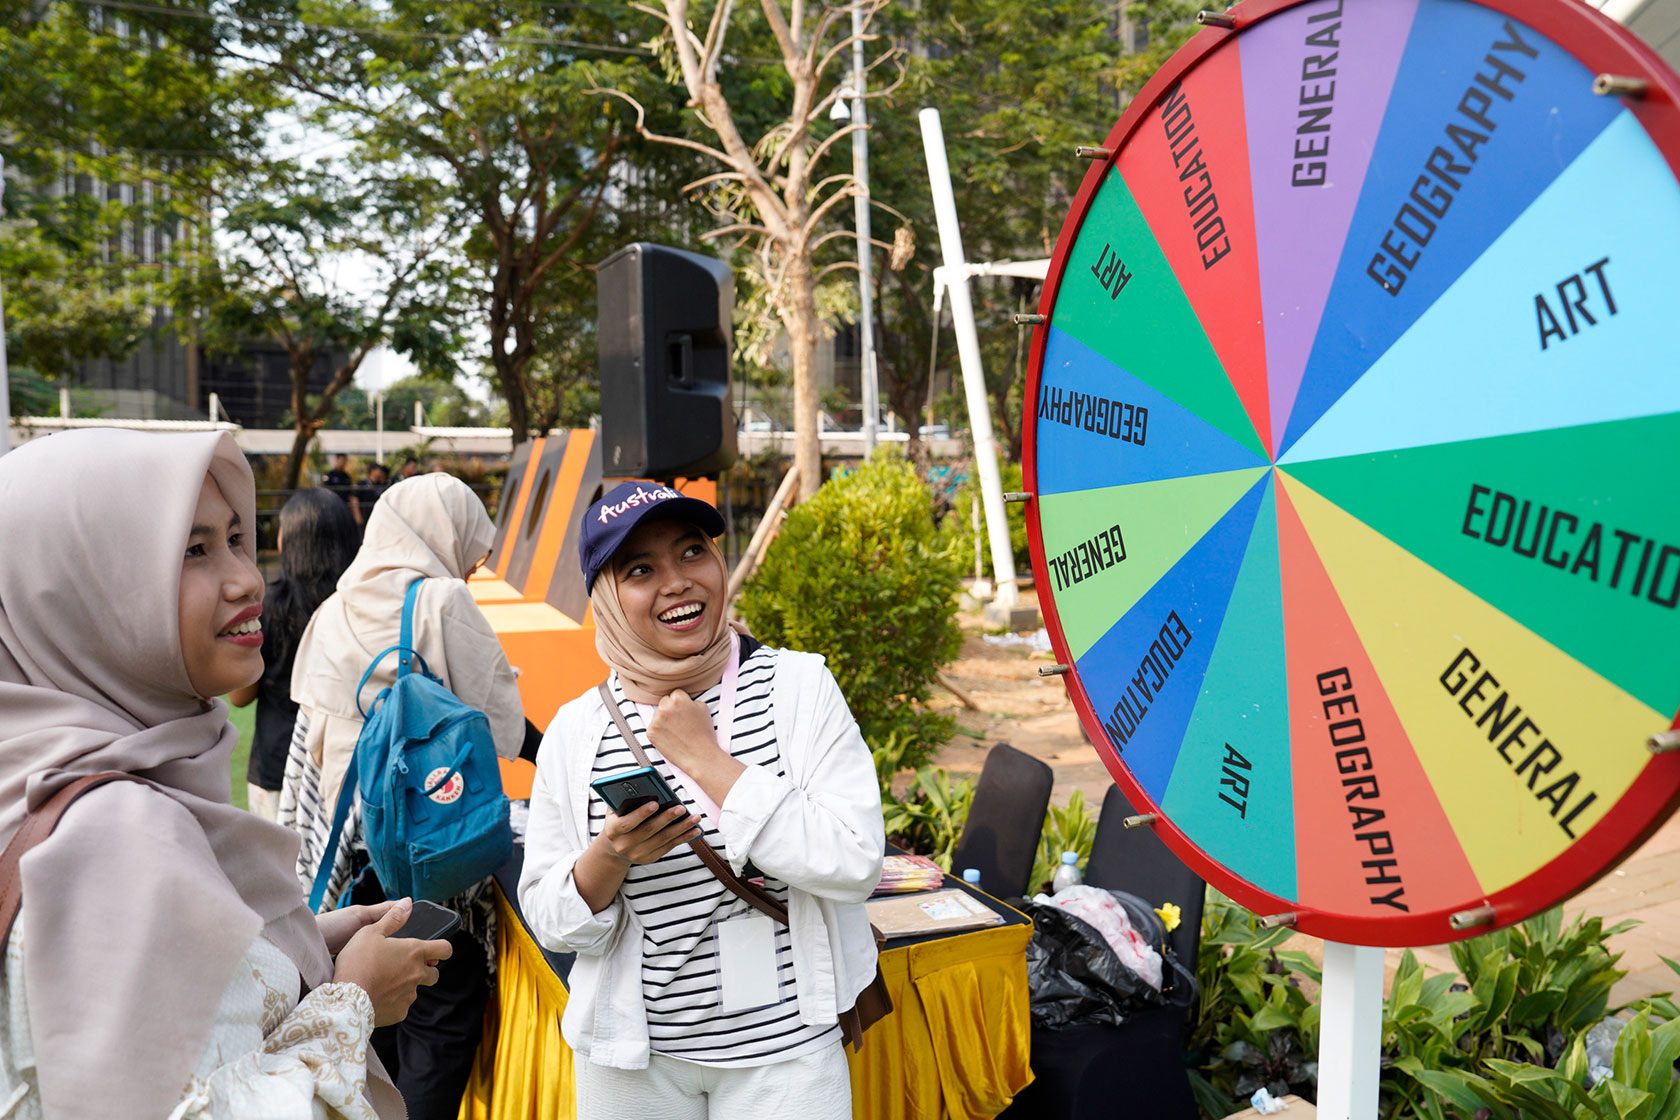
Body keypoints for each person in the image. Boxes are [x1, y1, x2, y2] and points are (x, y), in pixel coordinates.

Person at [0, 428, 452, 1119]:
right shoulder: (114, 835)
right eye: (192, 551)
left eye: (239, 539)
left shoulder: (34, 771)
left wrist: (288, 950)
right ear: (77, 591)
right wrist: (352, 999)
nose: (246, 579)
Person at [518, 481, 884, 1119]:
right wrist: (608, 857)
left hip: (789, 1058)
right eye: (640, 569)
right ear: (605, 597)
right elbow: (549, 917)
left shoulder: (798, 688)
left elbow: (854, 862)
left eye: (692, 552)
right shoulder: (578, 731)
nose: (676, 581)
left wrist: (710, 763)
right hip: (636, 1067)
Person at [280, 473, 525, 1120]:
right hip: (431, 863)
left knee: (370, 1039)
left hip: (351, 872)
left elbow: (310, 744)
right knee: (442, 1027)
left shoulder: (333, 610)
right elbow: (499, 727)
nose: (474, 561)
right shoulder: (442, 601)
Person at [228, 489, 359, 821]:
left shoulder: (268, 609)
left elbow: (240, 696)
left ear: (292, 542)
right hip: (342, 769)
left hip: (275, 765)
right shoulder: (357, 608)